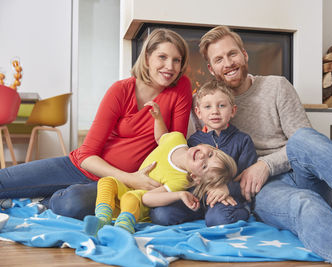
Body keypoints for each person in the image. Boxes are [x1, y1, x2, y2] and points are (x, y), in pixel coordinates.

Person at [189, 25, 332, 267]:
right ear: (211, 68)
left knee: (302, 138)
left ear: (245, 55)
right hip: (264, 190)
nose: (228, 63)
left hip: (301, 171)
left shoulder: (277, 86)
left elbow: (305, 144)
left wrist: (265, 164)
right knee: (306, 204)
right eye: (219, 59)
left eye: (232, 54)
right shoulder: (211, 106)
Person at [0, 28, 193, 220]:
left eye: (177, 60)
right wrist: (130, 177)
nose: (170, 66)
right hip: (79, 167)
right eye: (162, 57)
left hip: (112, 186)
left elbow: (175, 146)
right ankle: (42, 197)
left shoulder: (181, 87)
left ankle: (42, 201)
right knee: (3, 181)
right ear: (148, 57)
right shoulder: (120, 90)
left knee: (72, 204)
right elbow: (86, 155)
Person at [83, 98, 237, 235]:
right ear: (211, 147)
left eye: (204, 167)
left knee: (132, 196)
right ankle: (102, 218)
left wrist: (179, 195)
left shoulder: (181, 180)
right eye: (210, 155)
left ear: (195, 177)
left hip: (138, 204)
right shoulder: (177, 138)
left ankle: (124, 226)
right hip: (126, 187)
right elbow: (160, 137)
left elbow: (148, 198)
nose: (203, 157)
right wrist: (157, 118)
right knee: (107, 181)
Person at [150, 79, 257, 227]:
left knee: (218, 219)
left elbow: (248, 178)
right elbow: (186, 173)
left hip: (224, 196)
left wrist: (228, 189)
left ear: (232, 110)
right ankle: (200, 213)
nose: (215, 111)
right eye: (207, 107)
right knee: (160, 215)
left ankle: (242, 211)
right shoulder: (194, 141)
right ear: (198, 113)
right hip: (196, 197)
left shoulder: (242, 140)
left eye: (221, 105)